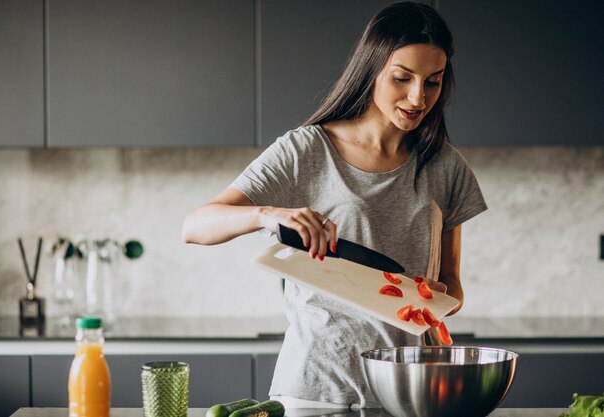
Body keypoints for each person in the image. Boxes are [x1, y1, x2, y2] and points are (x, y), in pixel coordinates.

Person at [181, 1, 487, 409]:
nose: (418, 97)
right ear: (371, 70)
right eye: (402, 78)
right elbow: (196, 226)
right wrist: (267, 215)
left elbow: (453, 288)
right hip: (317, 388)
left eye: (433, 82)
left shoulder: (445, 165)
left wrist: (436, 299)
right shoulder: (306, 149)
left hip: (410, 390)